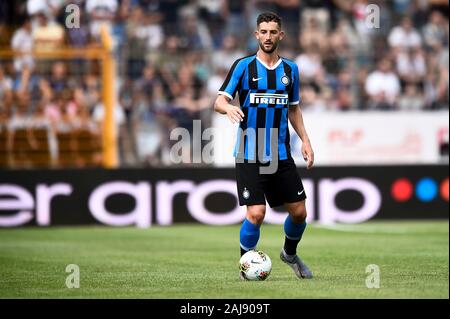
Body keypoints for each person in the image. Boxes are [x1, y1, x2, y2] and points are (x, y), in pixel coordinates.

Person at [213, 12, 315, 280]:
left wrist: (305, 140)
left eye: (273, 32)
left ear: (280, 35)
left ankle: (289, 254)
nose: (268, 37)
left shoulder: (290, 70)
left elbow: (293, 109)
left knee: (300, 212)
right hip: (249, 152)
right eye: (263, 32)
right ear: (256, 35)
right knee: (256, 213)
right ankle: (245, 266)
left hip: (280, 153)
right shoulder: (243, 66)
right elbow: (219, 101)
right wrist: (229, 108)